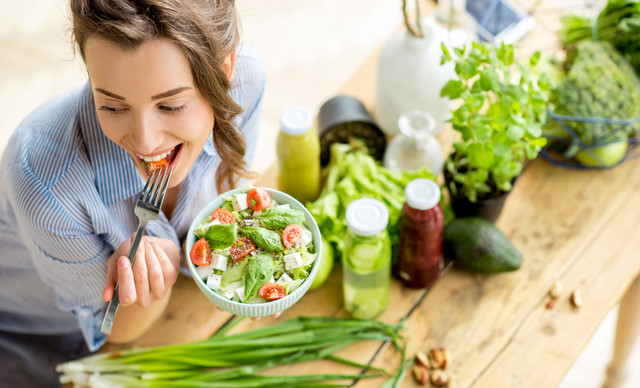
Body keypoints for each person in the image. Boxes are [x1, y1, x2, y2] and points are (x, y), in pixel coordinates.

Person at [0, 0, 265, 386]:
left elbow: (225, 205)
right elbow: (115, 330)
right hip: (32, 339)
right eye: (111, 105)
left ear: (225, 73)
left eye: (171, 105)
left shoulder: (247, 80)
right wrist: (156, 273)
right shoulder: (43, 180)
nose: (145, 141)